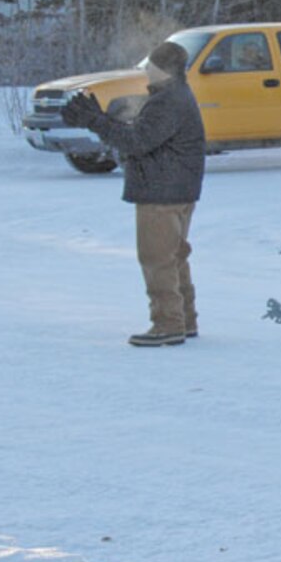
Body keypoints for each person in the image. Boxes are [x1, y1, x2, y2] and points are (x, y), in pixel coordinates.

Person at [60, 40, 207, 347]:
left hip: (161, 192)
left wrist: (95, 121)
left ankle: (167, 325)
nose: (145, 71)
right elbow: (143, 134)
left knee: (157, 259)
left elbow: (136, 141)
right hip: (176, 188)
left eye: (149, 66)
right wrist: (103, 119)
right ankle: (184, 320)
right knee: (175, 257)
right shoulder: (176, 96)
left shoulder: (168, 101)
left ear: (162, 69)